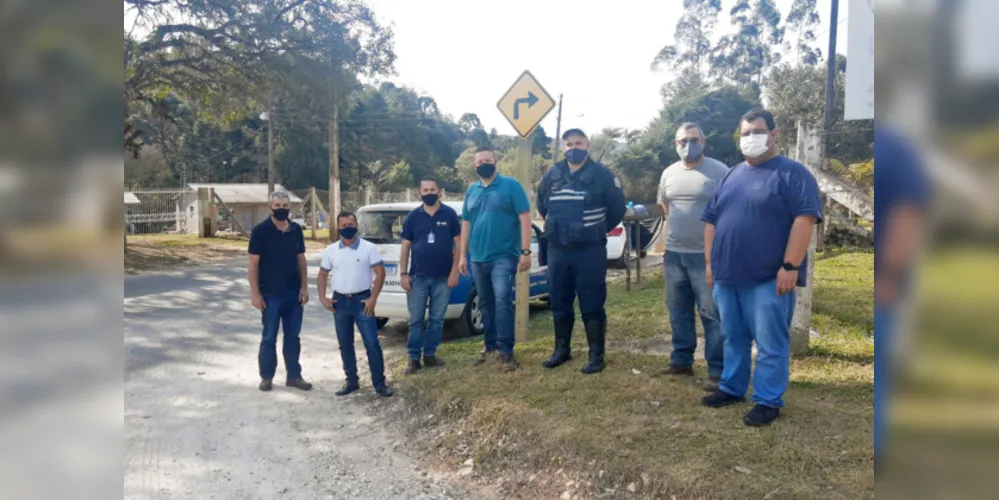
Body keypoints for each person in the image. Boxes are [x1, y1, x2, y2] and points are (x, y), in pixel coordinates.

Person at [700, 108, 822, 426]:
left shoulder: (793, 174)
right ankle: (732, 387)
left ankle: (768, 399)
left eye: (757, 131)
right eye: (745, 133)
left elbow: (805, 220)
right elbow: (711, 221)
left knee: (770, 344)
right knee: (733, 338)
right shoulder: (730, 175)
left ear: (773, 134)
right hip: (727, 277)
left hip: (769, 278)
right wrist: (711, 264)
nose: (751, 138)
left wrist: (790, 266)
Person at [536, 128, 626, 374]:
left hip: (589, 250)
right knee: (559, 300)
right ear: (563, 147)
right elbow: (542, 205)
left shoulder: (602, 175)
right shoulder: (552, 174)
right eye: (569, 144)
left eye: (578, 143)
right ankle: (561, 350)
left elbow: (617, 209)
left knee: (592, 302)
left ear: (587, 145)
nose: (573, 148)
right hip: (558, 249)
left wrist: (594, 229)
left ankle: (596, 355)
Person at [872, 125, 931, 466]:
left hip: (882, 281)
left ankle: (878, 448)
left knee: (881, 366)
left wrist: (890, 274)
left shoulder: (895, 148)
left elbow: (908, 212)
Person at [657, 123, 729, 391]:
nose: (689, 145)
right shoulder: (668, 173)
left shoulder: (719, 171)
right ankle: (681, 361)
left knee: (712, 314)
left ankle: (717, 371)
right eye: (683, 141)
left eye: (694, 139)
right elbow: (667, 207)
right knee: (678, 311)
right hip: (674, 255)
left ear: (703, 141)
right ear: (675, 144)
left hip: (706, 257)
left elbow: (729, 209)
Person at [458, 146, 533, 371]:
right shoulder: (471, 191)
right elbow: (466, 224)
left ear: (495, 161)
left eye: (488, 160)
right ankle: (490, 346)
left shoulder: (511, 186)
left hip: (503, 256)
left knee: (502, 300)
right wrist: (462, 256)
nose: (484, 164)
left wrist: (526, 251)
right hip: (477, 258)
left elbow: (525, 217)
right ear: (475, 165)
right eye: (480, 162)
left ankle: (506, 350)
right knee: (485, 303)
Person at [317, 212, 392, 397]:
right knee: (345, 344)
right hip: (340, 302)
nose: (347, 228)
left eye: (351, 224)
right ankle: (351, 382)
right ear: (338, 227)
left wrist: (373, 298)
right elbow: (322, 274)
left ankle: (379, 384)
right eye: (343, 225)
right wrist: (323, 298)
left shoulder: (368, 248)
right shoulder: (331, 250)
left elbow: (380, 273)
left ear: (356, 225)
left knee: (372, 343)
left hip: (362, 301)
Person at [248, 191, 313, 392]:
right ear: (270, 208)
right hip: (270, 295)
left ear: (289, 207)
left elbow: (301, 259)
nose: (281, 209)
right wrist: (255, 293)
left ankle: (294, 376)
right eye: (277, 205)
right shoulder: (260, 231)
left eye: (285, 205)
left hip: (293, 294)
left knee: (293, 337)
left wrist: (304, 287)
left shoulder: (296, 230)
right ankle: (266, 377)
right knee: (269, 337)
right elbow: (253, 264)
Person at [399, 178, 461, 374]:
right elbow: (405, 246)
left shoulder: (449, 214)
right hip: (417, 277)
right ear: (419, 193)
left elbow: (458, 243)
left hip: (443, 277)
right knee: (416, 320)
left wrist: (454, 271)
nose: (429, 193)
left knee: (437, 319)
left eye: (432, 189)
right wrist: (403, 274)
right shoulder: (413, 217)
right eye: (425, 190)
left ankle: (430, 354)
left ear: (439, 191)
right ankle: (413, 359)